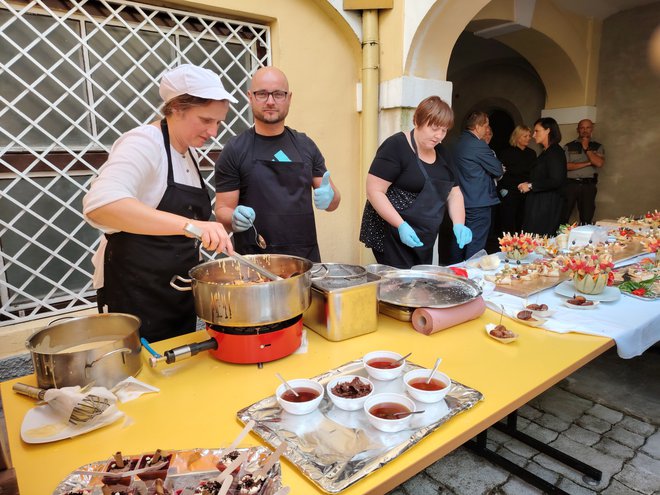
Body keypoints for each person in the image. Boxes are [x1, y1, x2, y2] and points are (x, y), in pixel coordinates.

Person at [83, 64, 236, 342]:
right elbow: (100, 204)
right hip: (135, 294)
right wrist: (190, 225)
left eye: (218, 123)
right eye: (205, 120)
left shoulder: (185, 152)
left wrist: (208, 229)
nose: (213, 131)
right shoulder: (143, 142)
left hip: (176, 292)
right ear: (176, 108)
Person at [214, 67, 340, 262]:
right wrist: (233, 218)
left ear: (289, 98)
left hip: (304, 262)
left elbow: (333, 201)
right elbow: (222, 209)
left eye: (278, 94)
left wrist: (330, 197)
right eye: (262, 94)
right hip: (254, 263)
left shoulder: (305, 145)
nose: (270, 101)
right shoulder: (234, 149)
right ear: (250, 96)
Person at [359, 96, 471, 268]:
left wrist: (459, 224)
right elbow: (374, 191)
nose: (439, 136)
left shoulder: (443, 153)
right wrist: (401, 225)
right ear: (418, 121)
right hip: (392, 233)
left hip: (424, 235)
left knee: (419, 284)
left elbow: (454, 193)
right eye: (434, 128)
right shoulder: (396, 146)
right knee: (397, 288)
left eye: (444, 130)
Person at [449, 111, 503, 263]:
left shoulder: (456, 142)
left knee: (458, 240)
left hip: (458, 202)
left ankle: (454, 275)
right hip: (478, 202)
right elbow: (498, 169)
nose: (487, 129)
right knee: (476, 243)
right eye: (486, 125)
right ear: (478, 126)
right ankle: (471, 278)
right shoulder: (478, 145)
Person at [518, 117, 567, 236]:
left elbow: (556, 180)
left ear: (548, 131)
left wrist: (530, 185)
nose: (533, 135)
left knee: (539, 239)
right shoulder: (547, 151)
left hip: (546, 205)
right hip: (540, 202)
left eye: (537, 131)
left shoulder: (555, 152)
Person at [561, 119, 605, 225]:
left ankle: (583, 240)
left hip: (588, 186)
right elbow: (566, 166)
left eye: (588, 127)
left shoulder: (598, 146)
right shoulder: (569, 146)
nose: (585, 130)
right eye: (582, 128)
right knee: (563, 215)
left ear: (592, 129)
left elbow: (599, 163)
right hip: (570, 185)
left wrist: (586, 148)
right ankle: (559, 239)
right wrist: (589, 162)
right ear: (578, 130)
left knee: (586, 217)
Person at [496, 125, 537, 234]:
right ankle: (507, 247)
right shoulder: (506, 153)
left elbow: (534, 173)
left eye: (529, 135)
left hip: (526, 192)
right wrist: (502, 191)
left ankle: (521, 247)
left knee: (523, 222)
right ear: (517, 137)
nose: (529, 138)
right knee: (508, 222)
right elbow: (499, 173)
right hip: (510, 192)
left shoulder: (532, 153)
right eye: (525, 136)